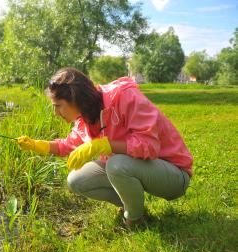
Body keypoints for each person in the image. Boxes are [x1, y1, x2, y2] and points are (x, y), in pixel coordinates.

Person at [16, 67, 193, 227]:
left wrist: (103, 145)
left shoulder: (125, 97)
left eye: (58, 106)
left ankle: (134, 220)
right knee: (76, 180)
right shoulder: (85, 116)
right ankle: (133, 206)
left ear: (75, 98)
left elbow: (149, 146)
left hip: (173, 175)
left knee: (116, 165)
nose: (56, 113)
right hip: (138, 168)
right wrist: (37, 145)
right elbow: (68, 145)